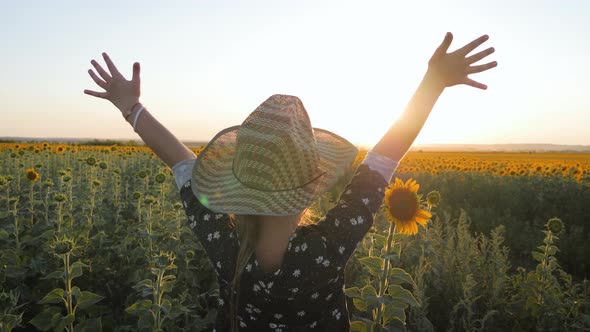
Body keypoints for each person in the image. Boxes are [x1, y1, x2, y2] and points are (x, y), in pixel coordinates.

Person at [84, 32, 496, 331]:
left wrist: (131, 107)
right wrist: (432, 84)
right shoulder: (329, 247)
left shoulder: (225, 245)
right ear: (309, 186)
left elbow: (179, 161)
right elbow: (384, 159)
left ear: (235, 186)